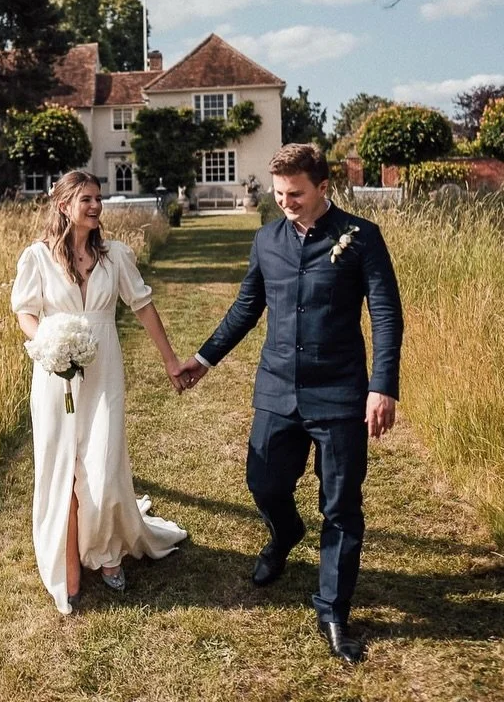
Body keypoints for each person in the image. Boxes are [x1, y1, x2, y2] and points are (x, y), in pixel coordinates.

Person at [175, 144, 403, 664]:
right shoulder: (266, 239)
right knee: (264, 482)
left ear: (324, 187)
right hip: (277, 387)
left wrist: (382, 385)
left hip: (341, 392)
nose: (286, 203)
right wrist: (203, 359)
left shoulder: (362, 238)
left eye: (295, 193)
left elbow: (387, 315)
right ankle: (285, 533)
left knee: (341, 505)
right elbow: (246, 307)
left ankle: (333, 611)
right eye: (279, 194)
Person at [11, 171, 188, 614]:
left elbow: (143, 307)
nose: (95, 206)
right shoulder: (37, 258)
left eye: (98, 199)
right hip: (56, 374)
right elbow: (26, 313)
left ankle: (108, 555)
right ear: (63, 205)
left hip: (104, 367)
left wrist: (169, 360)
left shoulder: (116, 257)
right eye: (86, 199)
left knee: (103, 468)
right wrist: (47, 346)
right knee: (61, 468)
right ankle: (65, 558)